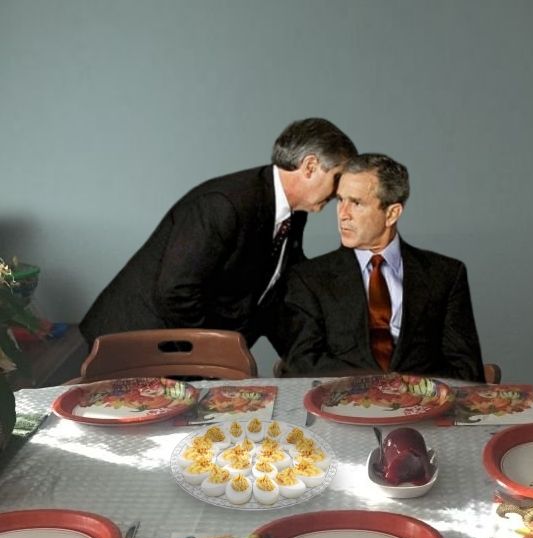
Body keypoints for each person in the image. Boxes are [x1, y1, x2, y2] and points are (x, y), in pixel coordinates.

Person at [79, 118, 357, 355]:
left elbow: (278, 286)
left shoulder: (293, 212)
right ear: (309, 167)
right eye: (337, 179)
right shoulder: (224, 205)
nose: (339, 194)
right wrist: (215, 357)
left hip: (179, 349)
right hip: (133, 348)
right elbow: (175, 292)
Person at [281, 153, 485, 380]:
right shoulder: (308, 279)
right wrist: (373, 389)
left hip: (423, 407)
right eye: (340, 200)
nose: (343, 215)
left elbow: (467, 369)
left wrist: (413, 394)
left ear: (392, 213)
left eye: (356, 203)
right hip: (344, 408)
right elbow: (302, 364)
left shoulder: (446, 275)